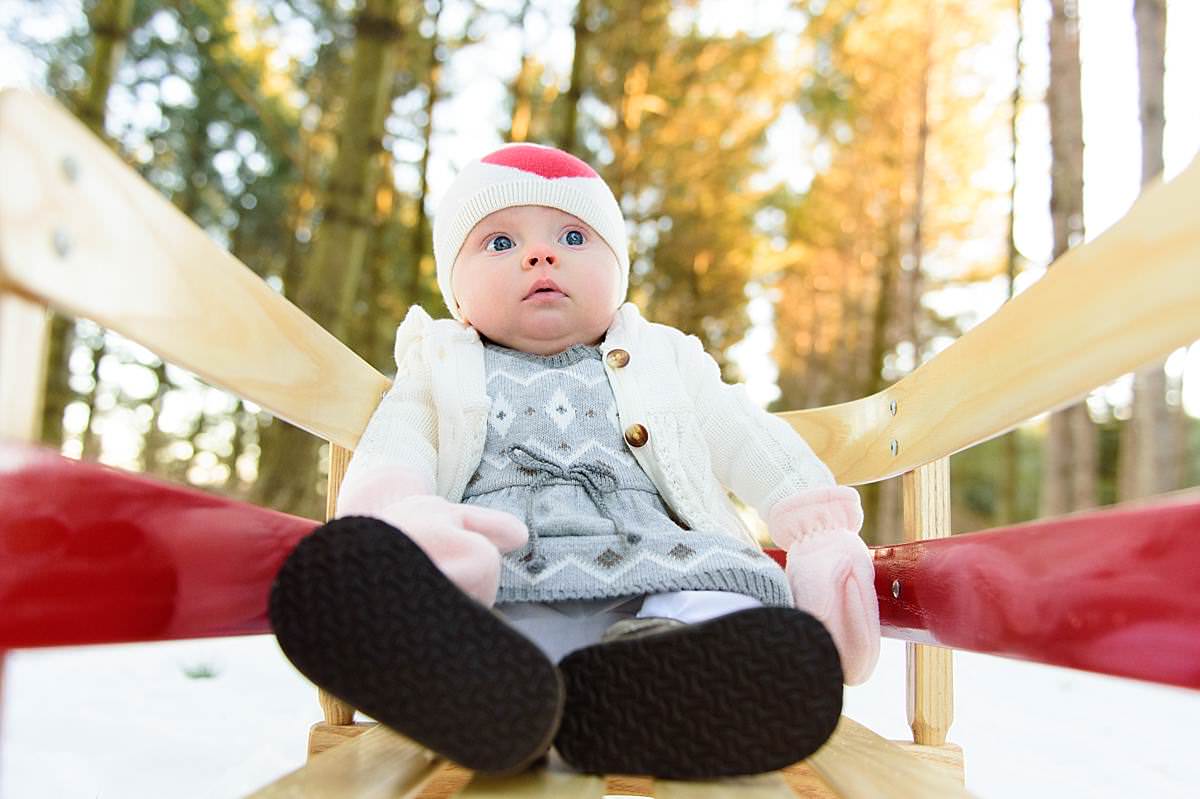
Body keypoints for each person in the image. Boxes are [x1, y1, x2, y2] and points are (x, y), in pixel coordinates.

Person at [269, 143, 879, 779]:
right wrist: (396, 520)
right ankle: (498, 697)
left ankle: (682, 679)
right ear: (458, 294)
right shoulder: (441, 359)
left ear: (618, 274)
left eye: (572, 235)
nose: (541, 255)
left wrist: (814, 525)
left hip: (662, 566)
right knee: (497, 629)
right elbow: (399, 441)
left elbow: (744, 434)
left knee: (723, 602)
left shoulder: (664, 357)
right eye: (500, 243)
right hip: (511, 562)